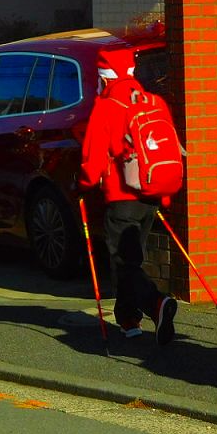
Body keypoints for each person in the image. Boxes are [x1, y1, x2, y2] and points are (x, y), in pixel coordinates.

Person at [78, 46, 178, 344]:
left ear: (105, 77)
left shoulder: (107, 106)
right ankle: (129, 320)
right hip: (152, 193)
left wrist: (82, 184)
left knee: (123, 262)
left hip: (122, 196)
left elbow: (92, 159)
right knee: (133, 258)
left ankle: (155, 303)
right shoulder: (153, 101)